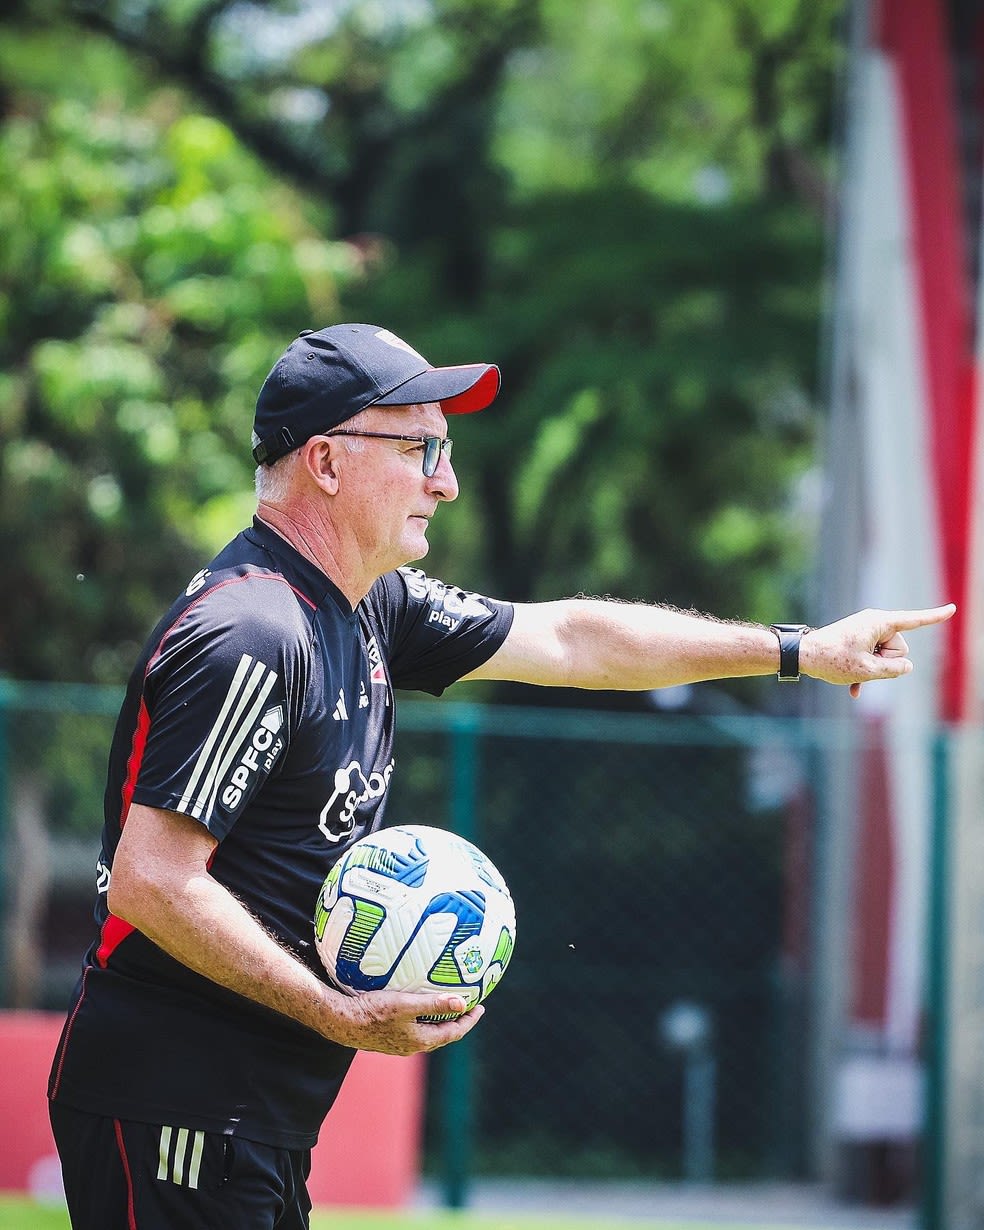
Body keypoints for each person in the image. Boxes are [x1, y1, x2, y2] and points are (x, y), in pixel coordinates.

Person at [47, 322, 955, 1229]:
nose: (446, 481)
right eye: (420, 448)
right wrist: (335, 1012)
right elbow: (153, 880)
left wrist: (800, 649)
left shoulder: (370, 609)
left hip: (247, 1118)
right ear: (325, 461)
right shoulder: (253, 633)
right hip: (176, 1109)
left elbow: (571, 639)